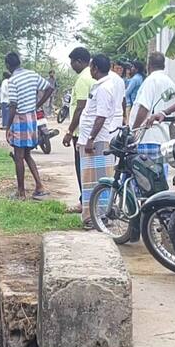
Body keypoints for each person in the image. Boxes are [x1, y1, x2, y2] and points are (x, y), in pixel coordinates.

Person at [77, 54, 125, 223]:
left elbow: (101, 116)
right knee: (91, 179)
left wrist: (90, 138)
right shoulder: (101, 85)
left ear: (95, 68)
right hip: (93, 139)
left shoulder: (104, 88)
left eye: (91, 67)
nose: (89, 70)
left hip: (97, 140)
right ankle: (95, 215)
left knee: (95, 180)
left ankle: (97, 216)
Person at [4, 52, 53, 200]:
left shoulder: (12, 80)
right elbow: (49, 88)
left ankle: (21, 192)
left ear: (7, 65)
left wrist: (7, 127)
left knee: (19, 156)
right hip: (32, 117)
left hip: (20, 118)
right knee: (26, 154)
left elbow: (13, 105)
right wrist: (37, 104)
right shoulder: (32, 74)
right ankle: (39, 186)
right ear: (19, 62)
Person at [129, 52, 175, 172]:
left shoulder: (151, 81)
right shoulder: (172, 84)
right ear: (164, 65)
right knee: (158, 180)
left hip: (147, 136)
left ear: (148, 65)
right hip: (163, 139)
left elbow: (144, 108)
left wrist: (134, 131)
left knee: (144, 179)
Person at [62, 46, 93, 214]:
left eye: (73, 62)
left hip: (81, 132)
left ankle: (84, 202)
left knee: (81, 167)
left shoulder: (83, 79)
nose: (72, 66)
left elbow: (80, 107)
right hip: (91, 130)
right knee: (90, 168)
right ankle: (89, 201)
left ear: (79, 61)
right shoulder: (94, 76)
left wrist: (69, 131)